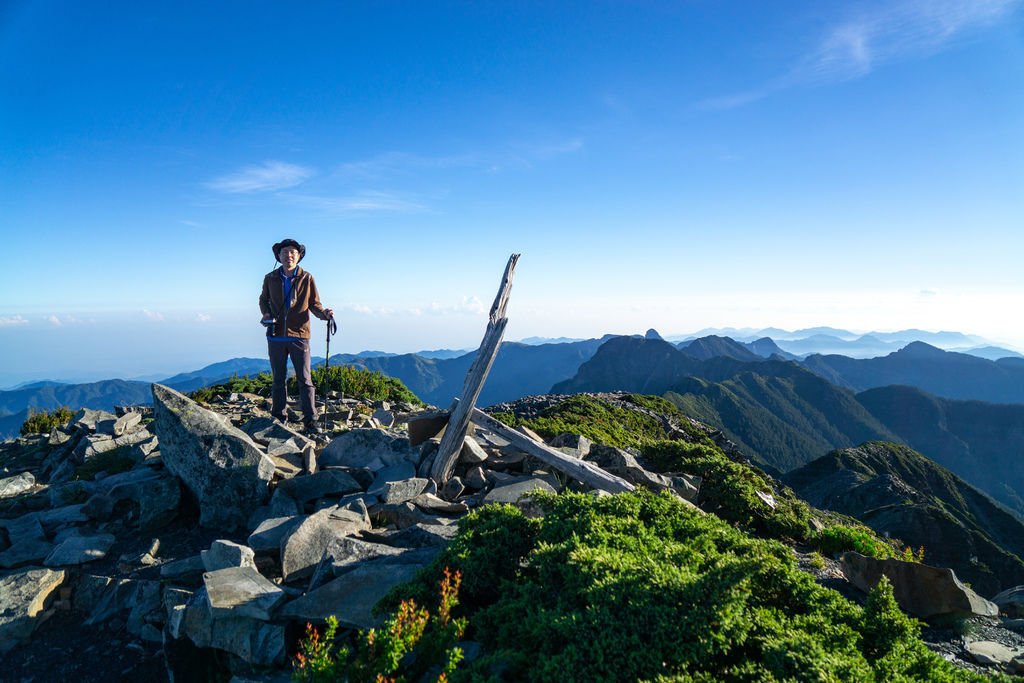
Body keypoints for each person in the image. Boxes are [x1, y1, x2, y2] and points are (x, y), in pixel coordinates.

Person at [259, 238, 333, 433]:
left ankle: (310, 420)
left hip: (299, 335)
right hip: (275, 335)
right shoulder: (270, 278)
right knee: (278, 379)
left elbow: (314, 304)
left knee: (305, 379)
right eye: (285, 253)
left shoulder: (307, 278)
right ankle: (278, 417)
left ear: (299, 256)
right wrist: (265, 314)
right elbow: (263, 300)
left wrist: (324, 314)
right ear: (279, 256)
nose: (289, 255)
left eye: (293, 252)